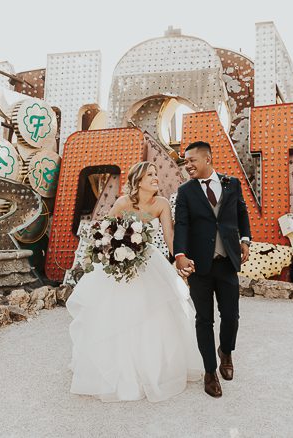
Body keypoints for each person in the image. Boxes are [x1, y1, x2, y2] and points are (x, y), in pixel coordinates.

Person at [67, 161, 203, 402]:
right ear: (138, 181)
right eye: (150, 174)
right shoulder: (122, 203)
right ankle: (118, 370)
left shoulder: (161, 204)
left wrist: (181, 258)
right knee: (119, 312)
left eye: (155, 173)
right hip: (121, 263)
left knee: (155, 312)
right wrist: (113, 252)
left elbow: (170, 237)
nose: (156, 177)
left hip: (148, 260)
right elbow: (104, 232)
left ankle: (154, 369)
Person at [174, 141, 251, 398]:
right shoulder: (185, 191)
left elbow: (242, 213)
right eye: (186, 161)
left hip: (227, 261)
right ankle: (210, 372)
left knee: (231, 316)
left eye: (192, 160)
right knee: (204, 319)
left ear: (207, 159)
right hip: (199, 265)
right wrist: (180, 255)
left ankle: (225, 351)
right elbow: (182, 224)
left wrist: (245, 240)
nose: (188, 165)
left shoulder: (232, 184)